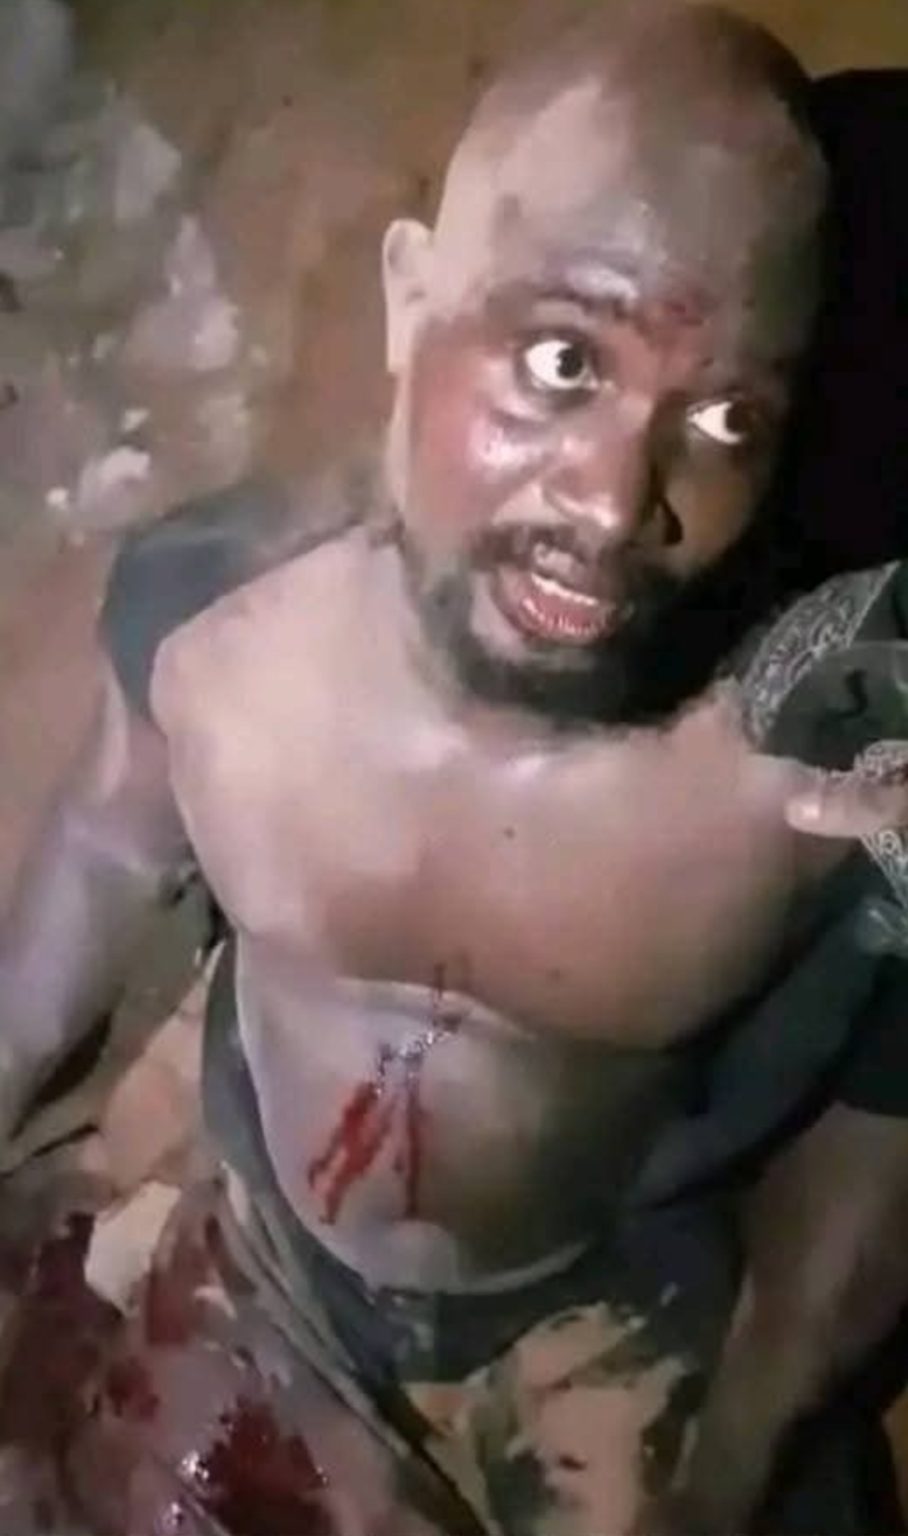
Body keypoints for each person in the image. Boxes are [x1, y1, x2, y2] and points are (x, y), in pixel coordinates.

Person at [1, 4, 908, 1532]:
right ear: (410, 298)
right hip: (260, 1218)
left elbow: (881, 1134)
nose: (615, 504)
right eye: (561, 360)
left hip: (600, 1294)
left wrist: (736, 1463)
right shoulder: (213, 632)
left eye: (721, 417)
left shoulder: (834, 776)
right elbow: (98, 846)